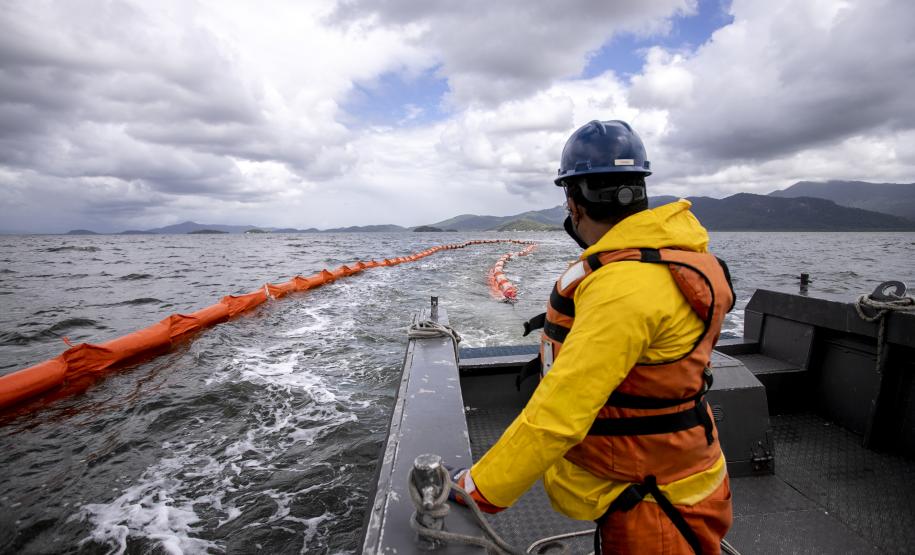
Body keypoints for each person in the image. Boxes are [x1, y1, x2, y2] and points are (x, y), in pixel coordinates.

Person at [451, 119, 735, 554]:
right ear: (640, 191)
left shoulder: (622, 287)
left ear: (573, 202)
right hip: (683, 469)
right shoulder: (685, 258)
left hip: (652, 499)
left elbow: (560, 413)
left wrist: (477, 489)